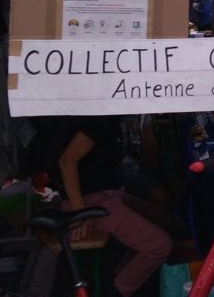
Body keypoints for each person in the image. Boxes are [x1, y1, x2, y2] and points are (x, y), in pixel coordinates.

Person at [56, 116, 173, 297]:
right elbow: (66, 161)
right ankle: (117, 291)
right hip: (91, 202)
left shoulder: (112, 119)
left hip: (110, 195)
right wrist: (82, 213)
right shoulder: (96, 120)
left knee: (165, 220)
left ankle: (122, 274)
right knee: (160, 245)